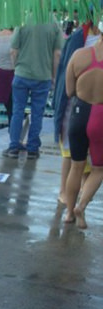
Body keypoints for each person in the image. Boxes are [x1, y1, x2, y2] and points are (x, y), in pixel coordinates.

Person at [52, 20, 99, 204]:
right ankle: (77, 200)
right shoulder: (78, 39)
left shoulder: (79, 46)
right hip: (84, 108)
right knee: (81, 160)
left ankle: (74, 204)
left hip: (79, 107)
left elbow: (67, 84)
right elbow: (66, 82)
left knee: (76, 160)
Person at [3, 21, 63, 159]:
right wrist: (53, 76)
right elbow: (58, 54)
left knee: (17, 111)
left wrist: (15, 68)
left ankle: (13, 147)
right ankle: (32, 149)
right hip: (43, 76)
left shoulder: (23, 21)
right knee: (37, 113)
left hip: (21, 74)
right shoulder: (54, 24)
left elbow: (13, 51)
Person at [63, 22, 103, 229]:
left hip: (79, 113)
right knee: (98, 169)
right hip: (100, 116)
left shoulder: (79, 55)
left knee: (76, 166)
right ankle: (82, 205)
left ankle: (69, 213)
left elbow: (69, 90)